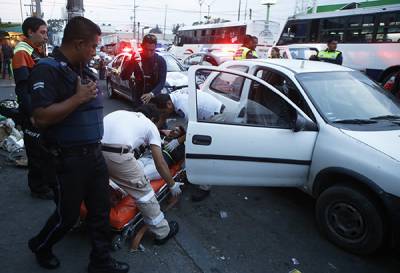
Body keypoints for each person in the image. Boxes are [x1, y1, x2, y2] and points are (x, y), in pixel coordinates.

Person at [27, 17, 129, 273]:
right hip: (67, 160)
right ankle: (41, 245)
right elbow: (40, 118)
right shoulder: (47, 69)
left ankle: (100, 262)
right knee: (68, 217)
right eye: (93, 46)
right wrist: (77, 98)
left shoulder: (82, 70)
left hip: (93, 155)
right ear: (79, 43)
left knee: (100, 212)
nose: (96, 52)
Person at [102, 104, 182, 244]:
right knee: (145, 193)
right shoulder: (150, 125)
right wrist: (172, 184)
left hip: (93, 149)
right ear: (153, 118)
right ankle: (162, 232)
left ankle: (112, 190)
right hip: (117, 154)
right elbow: (160, 163)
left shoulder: (121, 113)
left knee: (113, 175)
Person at [152, 89, 224, 202]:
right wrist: (152, 132)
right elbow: (163, 118)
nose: (164, 113)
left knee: (203, 152)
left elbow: (193, 130)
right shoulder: (171, 99)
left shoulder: (182, 106)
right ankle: (192, 174)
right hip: (203, 115)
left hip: (215, 115)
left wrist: (177, 142)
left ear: (169, 104)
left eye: (164, 110)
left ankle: (205, 188)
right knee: (190, 142)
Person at [12, 17, 53, 200]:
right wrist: (32, 114)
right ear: (30, 32)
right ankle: (38, 188)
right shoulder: (22, 52)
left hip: (40, 109)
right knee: (35, 152)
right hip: (31, 112)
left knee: (44, 149)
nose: (46, 36)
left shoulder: (35, 51)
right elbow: (22, 89)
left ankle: (45, 182)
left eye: (46, 32)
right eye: (42, 32)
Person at [121, 34, 167, 108]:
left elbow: (162, 82)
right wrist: (131, 63)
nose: (149, 53)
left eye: (152, 50)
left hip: (155, 100)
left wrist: (151, 94)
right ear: (142, 47)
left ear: (155, 48)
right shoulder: (137, 58)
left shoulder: (160, 61)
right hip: (139, 100)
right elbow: (124, 76)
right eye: (146, 49)